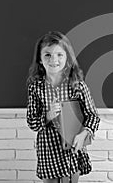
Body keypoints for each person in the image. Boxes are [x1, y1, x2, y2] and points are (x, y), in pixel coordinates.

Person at [26, 31, 100, 183]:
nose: (54, 59)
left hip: (72, 151)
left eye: (59, 54)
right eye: (47, 55)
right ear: (40, 59)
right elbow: (32, 122)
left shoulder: (77, 86)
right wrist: (48, 115)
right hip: (48, 152)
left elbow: (93, 116)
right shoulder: (36, 88)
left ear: (67, 59)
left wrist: (84, 134)